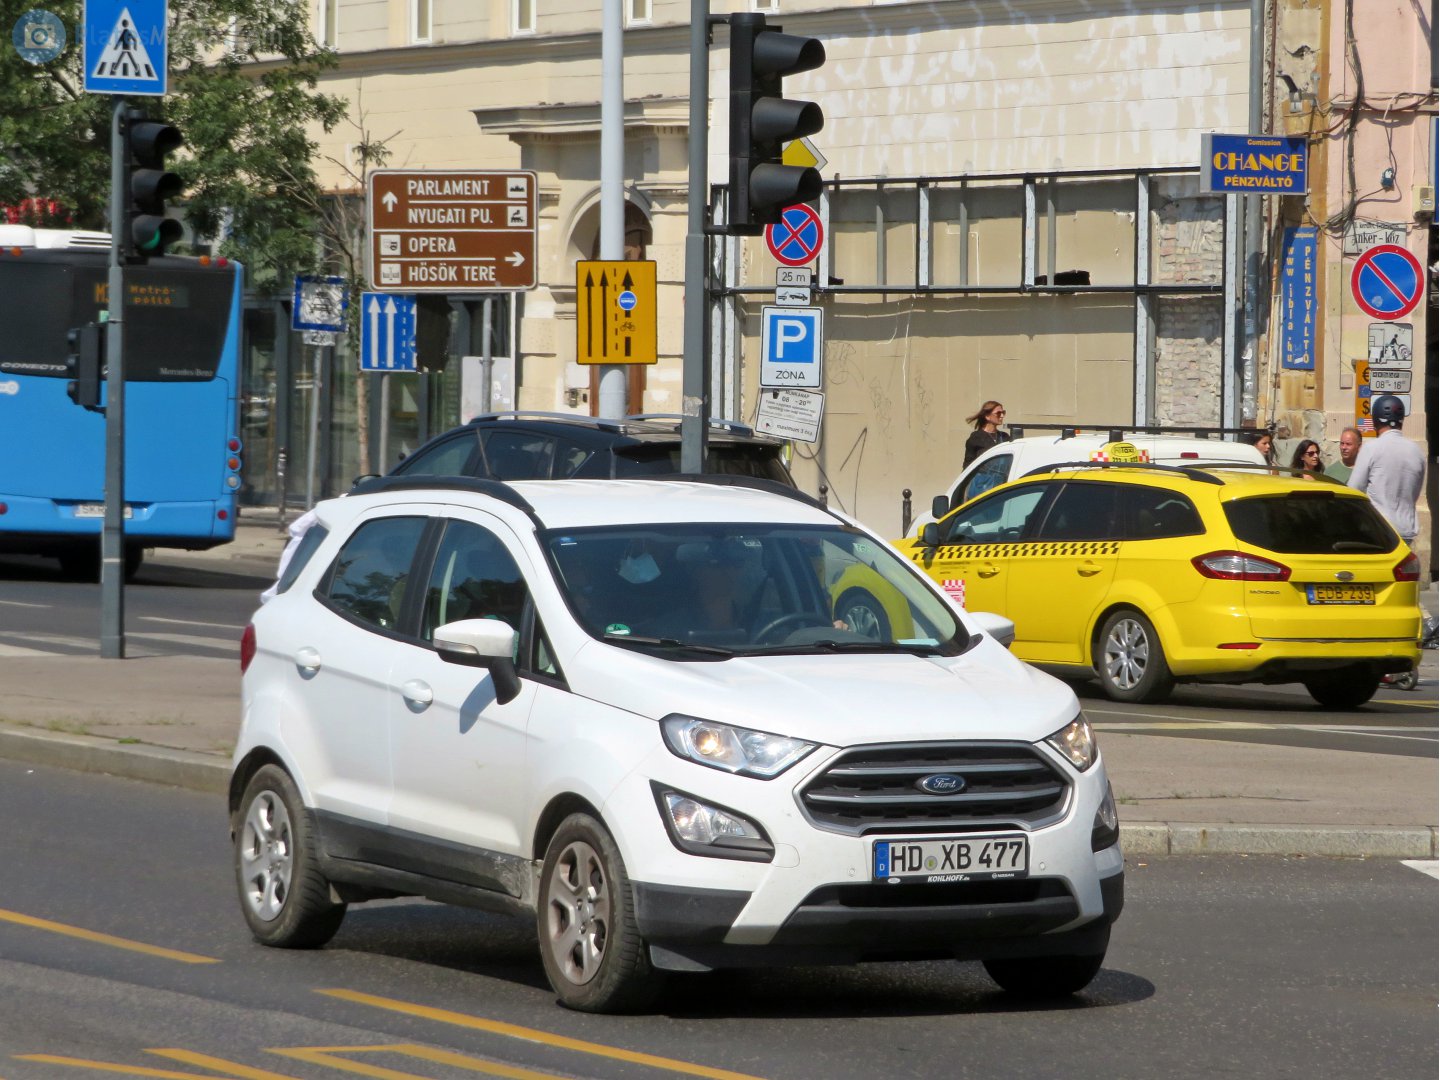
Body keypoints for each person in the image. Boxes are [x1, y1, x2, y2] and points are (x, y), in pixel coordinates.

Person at [1349, 395, 1427, 544]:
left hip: (1378, 530)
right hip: (1406, 531)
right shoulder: (1417, 452)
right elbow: (1414, 493)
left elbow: (1354, 489)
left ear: (1375, 420)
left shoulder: (1371, 448)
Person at [962, 400, 1011, 468]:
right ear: (987, 416)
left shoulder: (1005, 436)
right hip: (984, 477)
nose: (1002, 416)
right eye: (998, 413)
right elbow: (968, 465)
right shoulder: (976, 438)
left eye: (1003, 412)